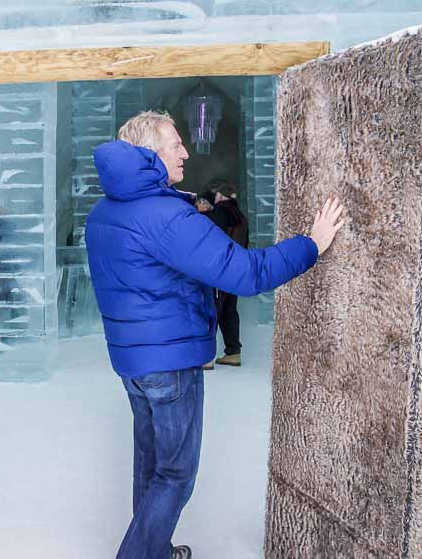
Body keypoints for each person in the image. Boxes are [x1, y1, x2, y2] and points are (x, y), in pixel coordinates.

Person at [84, 110, 345, 559]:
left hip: (133, 359)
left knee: (150, 468)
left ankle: (155, 551)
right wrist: (311, 244)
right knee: (175, 474)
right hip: (170, 361)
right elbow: (245, 274)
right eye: (175, 144)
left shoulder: (105, 211)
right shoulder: (165, 216)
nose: (185, 151)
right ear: (149, 153)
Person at [206, 180, 248, 367]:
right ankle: (233, 353)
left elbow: (209, 240)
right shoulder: (241, 217)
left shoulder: (219, 213)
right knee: (229, 310)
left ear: (221, 196)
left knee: (211, 309)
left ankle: (205, 357)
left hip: (218, 270)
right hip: (236, 270)